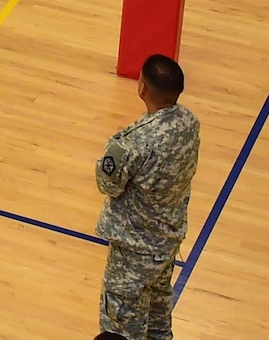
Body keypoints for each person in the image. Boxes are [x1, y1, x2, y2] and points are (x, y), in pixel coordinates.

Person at [95, 54, 201, 340]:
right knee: (157, 326)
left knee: (121, 330)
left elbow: (108, 184)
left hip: (133, 252)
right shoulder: (189, 123)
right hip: (166, 242)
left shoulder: (132, 144)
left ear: (142, 87)